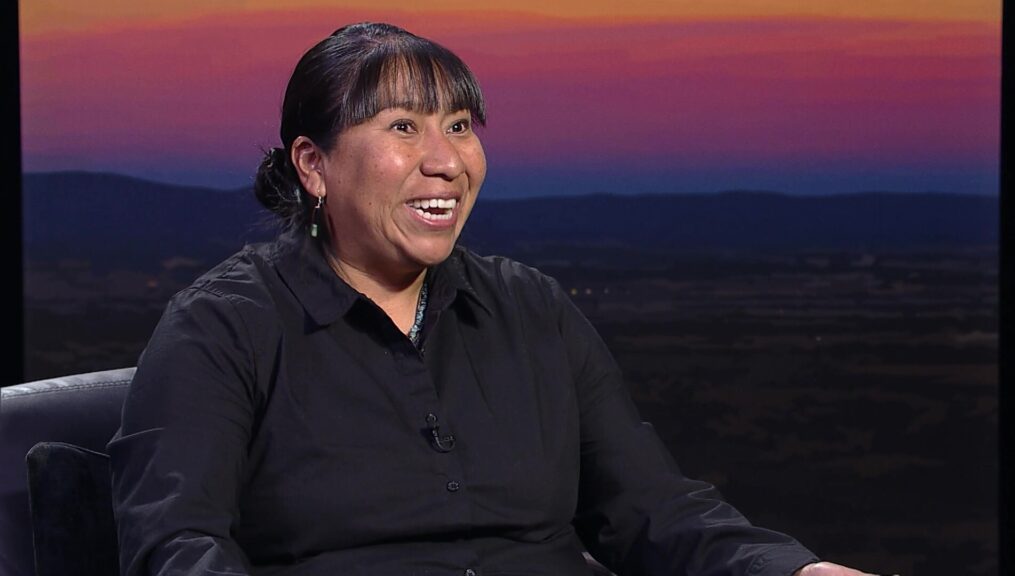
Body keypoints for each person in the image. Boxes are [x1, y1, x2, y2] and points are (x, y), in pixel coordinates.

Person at [108, 22, 872, 576]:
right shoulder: (223, 327)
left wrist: (796, 572)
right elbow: (177, 550)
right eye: (404, 126)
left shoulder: (531, 308)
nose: (445, 161)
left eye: (461, 126)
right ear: (314, 165)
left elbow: (654, 510)